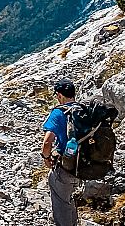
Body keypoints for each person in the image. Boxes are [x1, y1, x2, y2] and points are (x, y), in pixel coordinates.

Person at [42, 79, 79, 226]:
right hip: (86, 165)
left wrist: (46, 158)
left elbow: (47, 142)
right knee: (70, 198)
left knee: (61, 201)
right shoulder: (85, 110)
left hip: (67, 165)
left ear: (59, 95)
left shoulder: (58, 113)